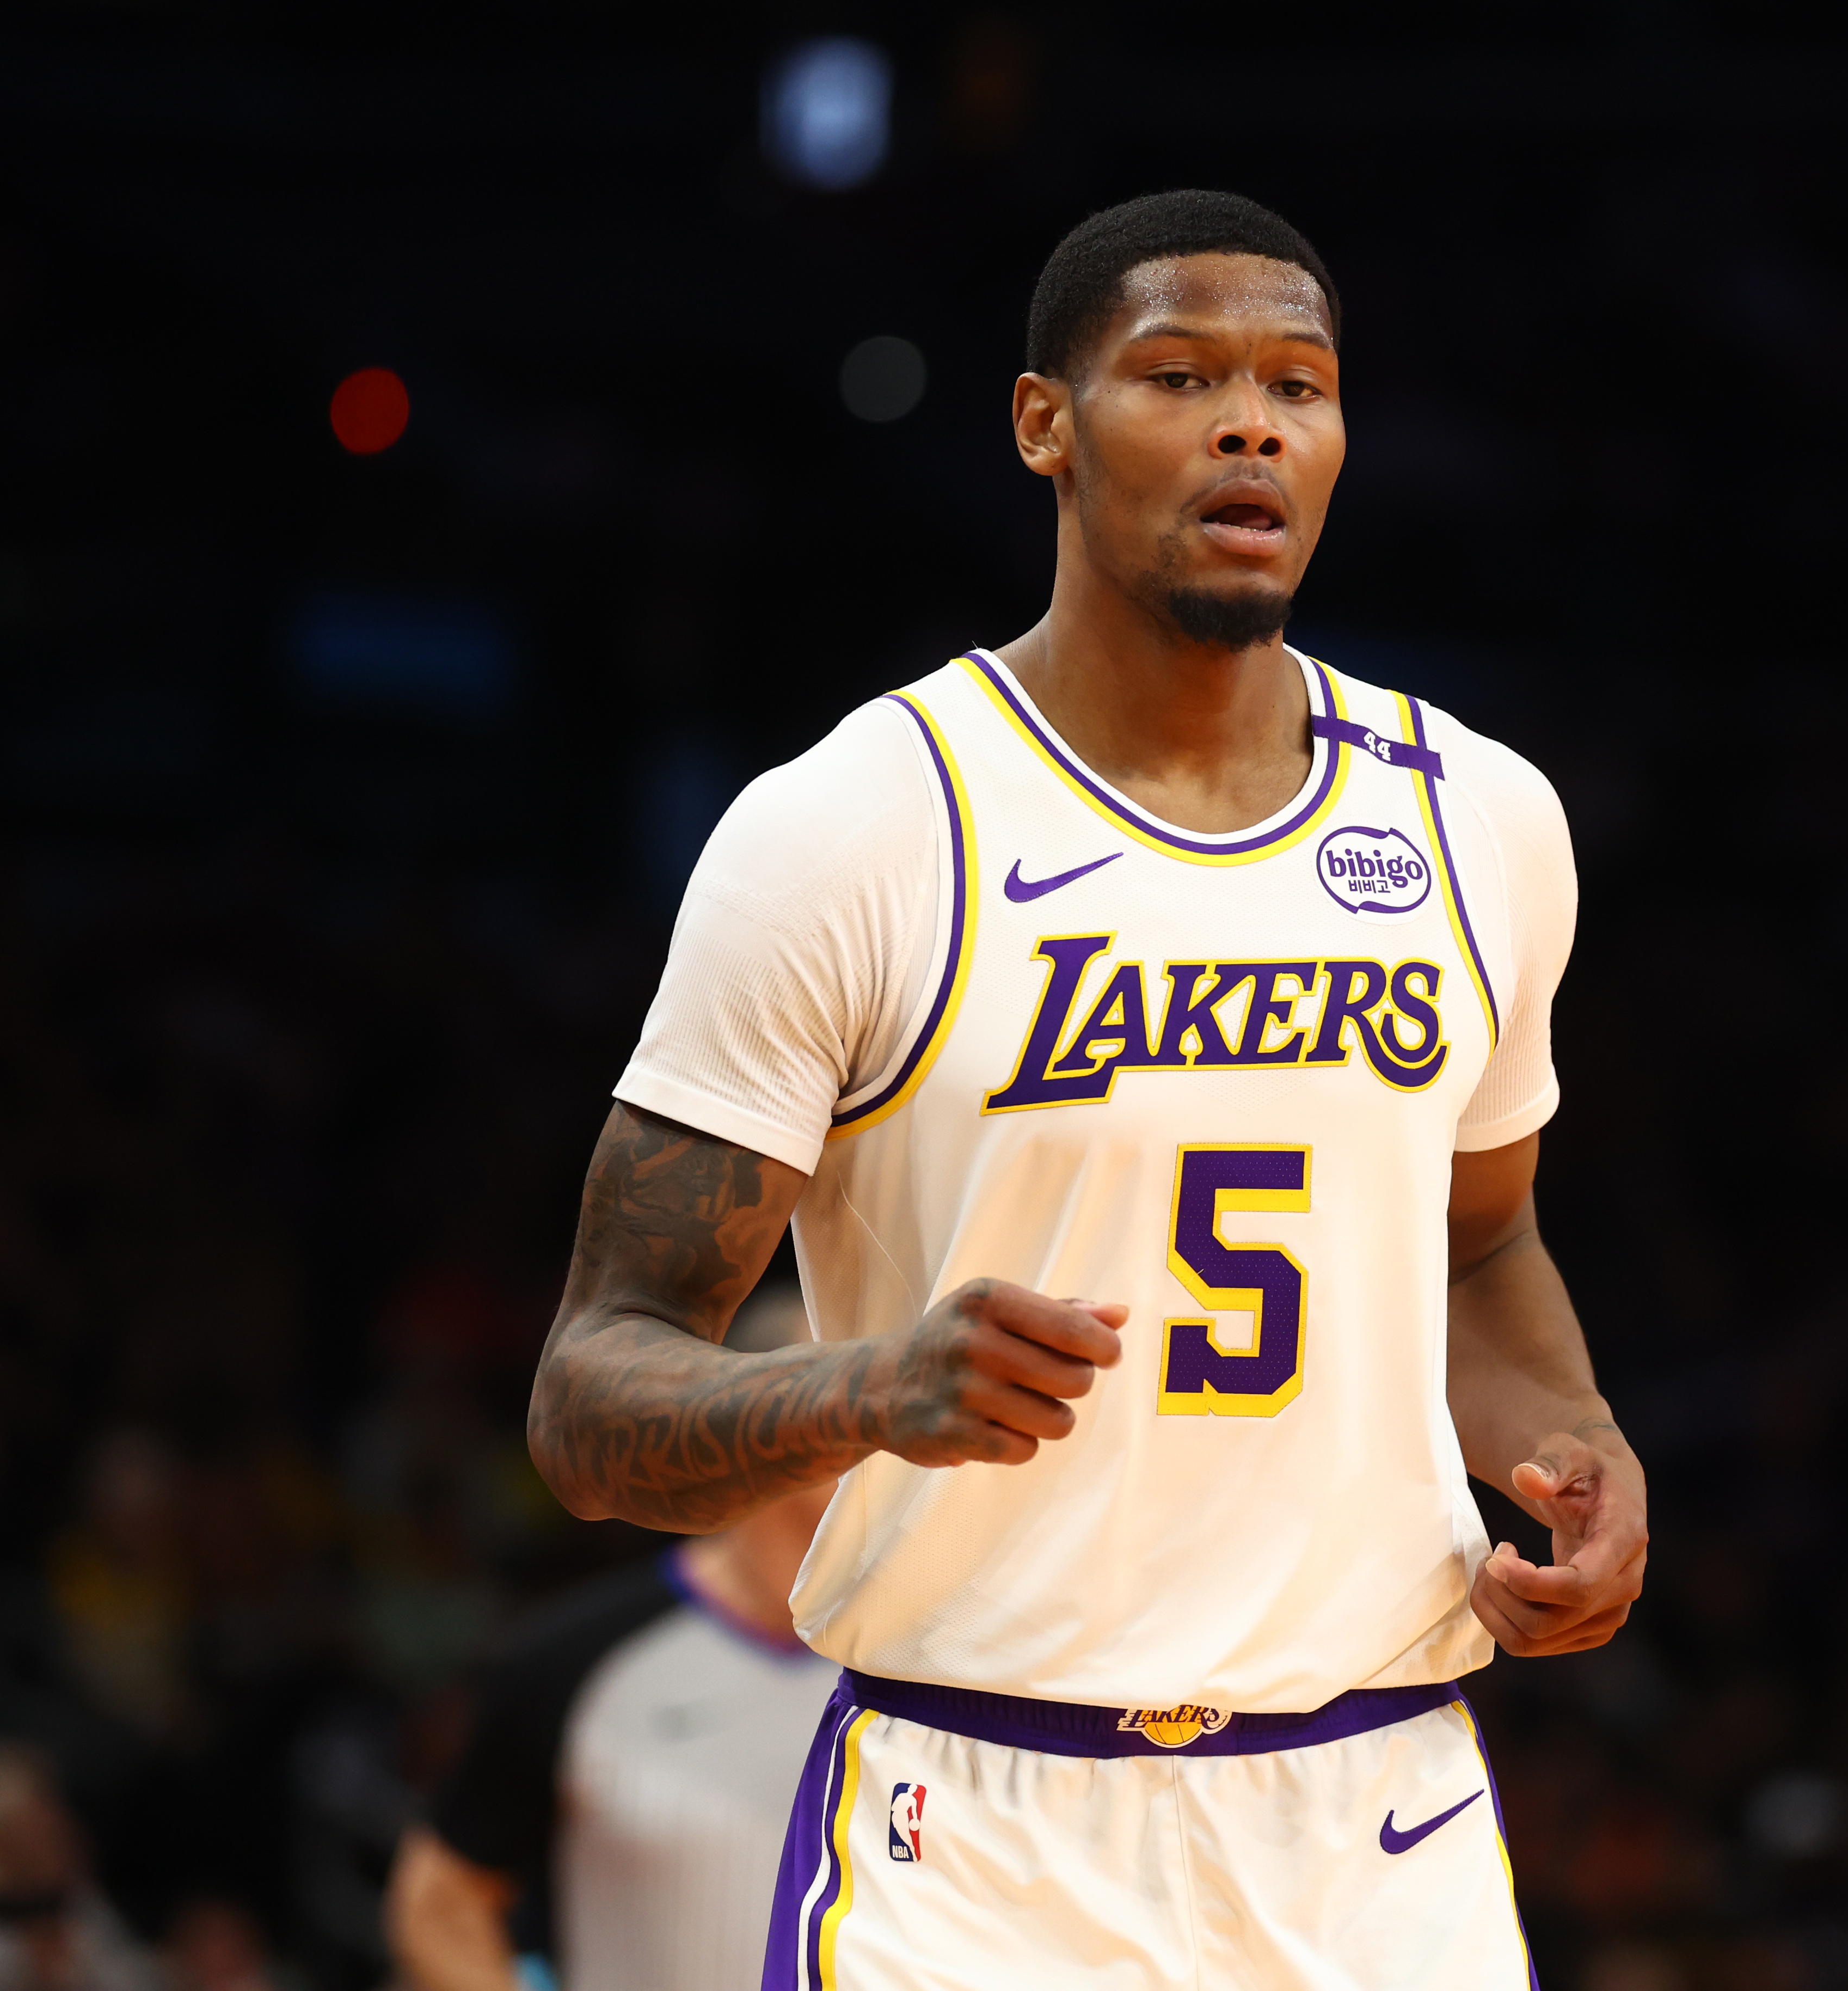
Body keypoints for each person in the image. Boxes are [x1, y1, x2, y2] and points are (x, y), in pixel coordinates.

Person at [526, 188, 1648, 1988]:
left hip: (1374, 1820)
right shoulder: (855, 827)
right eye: (1180, 374)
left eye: (1301, 384)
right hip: (979, 1825)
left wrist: (1575, 1446)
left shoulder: (1479, 818)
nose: (1250, 423)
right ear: (1042, 422)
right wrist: (867, 1383)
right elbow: (590, 1401)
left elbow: (1473, 1242)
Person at [390, 1292, 835, 1991]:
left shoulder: (950, 1663)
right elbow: (437, 1902)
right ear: (749, 1418)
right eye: (852, 1383)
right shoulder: (577, 1660)